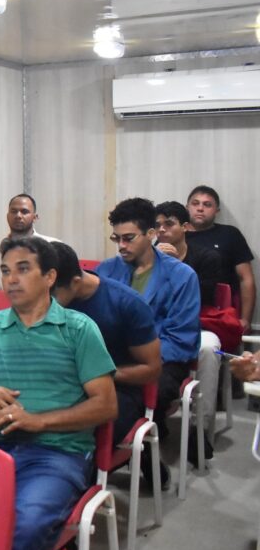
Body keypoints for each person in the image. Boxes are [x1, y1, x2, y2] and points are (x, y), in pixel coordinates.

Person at [0, 237, 117, 550]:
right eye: (5, 271)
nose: (11, 280)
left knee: (22, 525)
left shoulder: (78, 329)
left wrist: (39, 421)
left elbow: (106, 405)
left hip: (58, 454)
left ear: (49, 277)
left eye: (23, 269)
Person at [97, 198, 200, 459]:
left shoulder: (182, 276)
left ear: (151, 234)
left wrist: (140, 361)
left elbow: (180, 339)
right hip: (114, 358)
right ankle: (142, 450)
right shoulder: (106, 271)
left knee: (148, 389)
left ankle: (139, 445)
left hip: (164, 358)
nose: (121, 245)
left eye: (129, 238)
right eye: (117, 238)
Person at [51, 241, 160, 445]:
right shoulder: (43, 304)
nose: (45, 303)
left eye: (52, 295)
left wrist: (96, 374)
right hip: (60, 384)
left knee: (71, 434)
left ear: (75, 282)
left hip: (118, 390)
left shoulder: (126, 303)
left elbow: (151, 369)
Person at [156, 200, 224, 458]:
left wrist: (176, 267)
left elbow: (203, 295)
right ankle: (155, 415)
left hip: (197, 323)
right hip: (161, 324)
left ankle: (199, 429)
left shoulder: (206, 257)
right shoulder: (147, 256)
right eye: (157, 225)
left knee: (208, 349)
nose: (162, 230)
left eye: (169, 224)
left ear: (185, 227)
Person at [186, 185, 256, 333]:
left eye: (207, 205)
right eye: (195, 203)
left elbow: (246, 279)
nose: (200, 208)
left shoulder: (229, 234)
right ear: (187, 207)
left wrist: (246, 320)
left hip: (221, 312)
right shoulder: (174, 235)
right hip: (182, 310)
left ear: (216, 211)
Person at [0, 193, 59, 287]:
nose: (18, 215)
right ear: (7, 216)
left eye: (24, 212)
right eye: (14, 211)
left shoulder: (53, 246)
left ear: (35, 217)